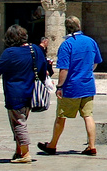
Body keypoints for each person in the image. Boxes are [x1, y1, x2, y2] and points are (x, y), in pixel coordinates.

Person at [0, 23, 49, 164]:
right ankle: (19, 151)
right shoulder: (35, 49)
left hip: (15, 93)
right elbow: (43, 69)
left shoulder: (10, 53)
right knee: (21, 121)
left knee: (19, 123)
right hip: (31, 93)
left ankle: (25, 154)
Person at [38, 15, 102, 156]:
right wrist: (86, 72)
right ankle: (91, 146)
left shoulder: (66, 45)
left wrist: (60, 87)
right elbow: (95, 63)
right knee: (88, 115)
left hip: (72, 87)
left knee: (61, 116)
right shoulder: (91, 41)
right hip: (88, 85)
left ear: (66, 28)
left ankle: (52, 145)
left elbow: (64, 69)